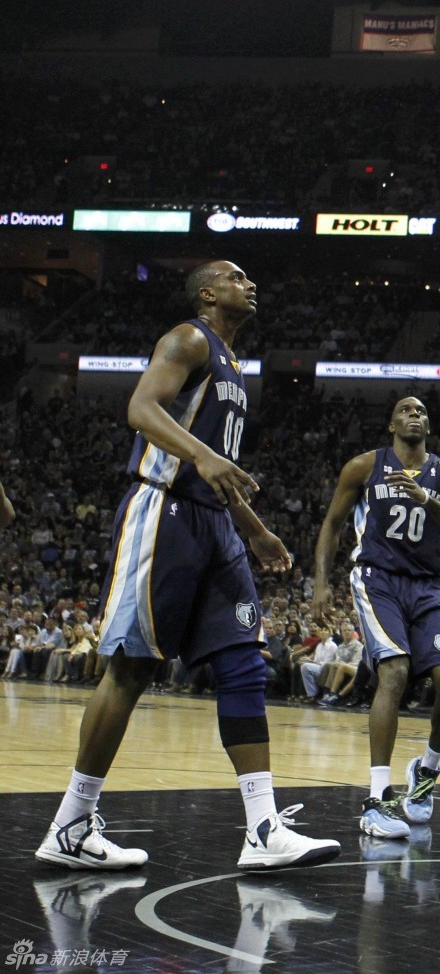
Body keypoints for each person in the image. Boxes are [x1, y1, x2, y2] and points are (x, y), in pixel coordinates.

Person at [35, 261, 340, 872]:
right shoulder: (189, 338)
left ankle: (262, 829)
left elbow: (218, 465)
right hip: (163, 512)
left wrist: (253, 529)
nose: (251, 283)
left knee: (243, 662)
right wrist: (202, 457)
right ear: (208, 293)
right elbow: (142, 409)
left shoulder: (233, 365)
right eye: (236, 276)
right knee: (131, 670)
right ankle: (70, 823)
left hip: (218, 526)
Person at [313, 395, 440, 841]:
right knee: (394, 673)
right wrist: (321, 583)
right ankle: (378, 799)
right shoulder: (364, 467)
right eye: (405, 409)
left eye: (422, 410)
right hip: (378, 579)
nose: (415, 414)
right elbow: (332, 524)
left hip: (429, 585)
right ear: (391, 424)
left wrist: (427, 499)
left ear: (428, 425)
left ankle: (425, 772)